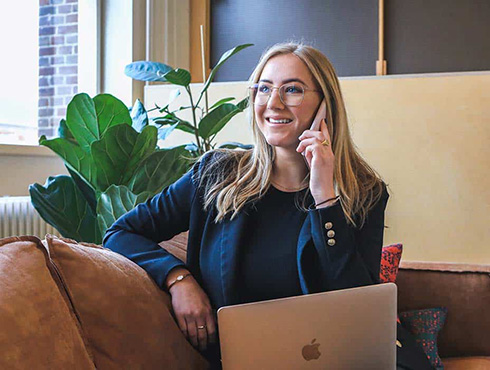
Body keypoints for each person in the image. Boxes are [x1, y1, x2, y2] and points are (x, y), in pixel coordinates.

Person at [103, 42, 430, 369]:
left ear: (325, 106)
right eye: (263, 88)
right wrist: (178, 279)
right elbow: (121, 232)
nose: (273, 102)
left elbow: (358, 307)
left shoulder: (364, 193)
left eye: (292, 90)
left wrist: (326, 199)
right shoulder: (216, 175)